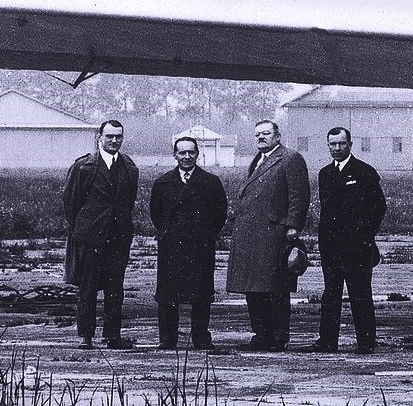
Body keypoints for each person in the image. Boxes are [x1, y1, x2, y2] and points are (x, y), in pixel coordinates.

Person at [227, 117, 312, 350]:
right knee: (253, 288)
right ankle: (261, 333)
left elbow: (299, 195)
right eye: (257, 134)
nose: (260, 137)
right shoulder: (257, 160)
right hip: (250, 233)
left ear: (277, 136)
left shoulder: (290, 158)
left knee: (276, 287)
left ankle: (278, 336)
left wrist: (293, 225)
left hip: (274, 233)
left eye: (265, 133)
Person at [60, 119, 139, 348]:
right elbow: (71, 201)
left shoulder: (130, 168)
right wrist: (83, 228)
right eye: (110, 136)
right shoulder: (84, 167)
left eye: (118, 137)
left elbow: (128, 203)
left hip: (118, 237)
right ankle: (86, 336)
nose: (114, 141)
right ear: (100, 138)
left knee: (116, 288)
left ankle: (112, 336)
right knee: (88, 288)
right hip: (90, 236)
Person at [147, 132, 227, 351]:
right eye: (182, 152)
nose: (187, 156)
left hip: (200, 246)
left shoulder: (211, 182)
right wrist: (169, 232)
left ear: (198, 155)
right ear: (175, 155)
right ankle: (168, 338)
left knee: (201, 294)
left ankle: (201, 337)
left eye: (191, 152)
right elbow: (156, 214)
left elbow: (220, 213)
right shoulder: (162, 182)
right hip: (171, 246)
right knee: (167, 295)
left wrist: (207, 235)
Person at [313, 125, 389, 353]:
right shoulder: (325, 174)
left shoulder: (364, 172)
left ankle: (366, 343)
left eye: (341, 144)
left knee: (360, 294)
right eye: (332, 144)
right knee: (331, 294)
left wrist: (365, 236)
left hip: (357, 247)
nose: (336, 148)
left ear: (350, 145)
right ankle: (327, 341)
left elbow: (379, 208)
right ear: (328, 146)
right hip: (331, 247)